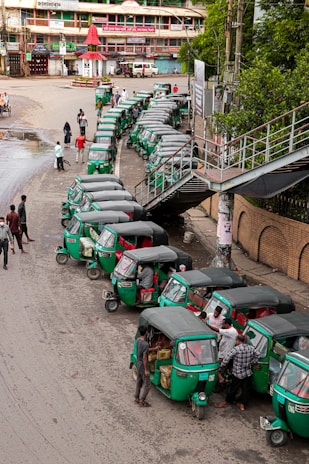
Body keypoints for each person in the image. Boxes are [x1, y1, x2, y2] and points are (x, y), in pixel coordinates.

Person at [215, 334, 260, 411]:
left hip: (237, 373)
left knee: (233, 388)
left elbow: (226, 359)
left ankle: (227, 401)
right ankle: (243, 405)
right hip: (247, 373)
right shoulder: (250, 348)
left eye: (236, 340)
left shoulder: (236, 349)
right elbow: (258, 355)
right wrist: (252, 362)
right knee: (246, 390)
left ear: (238, 341)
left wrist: (221, 367)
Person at [134, 325, 160, 407]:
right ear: (146, 333)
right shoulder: (145, 344)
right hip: (142, 364)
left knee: (139, 380)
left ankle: (136, 398)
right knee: (147, 384)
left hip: (138, 362)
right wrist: (146, 370)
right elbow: (145, 357)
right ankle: (142, 400)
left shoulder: (138, 340)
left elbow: (145, 350)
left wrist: (155, 348)